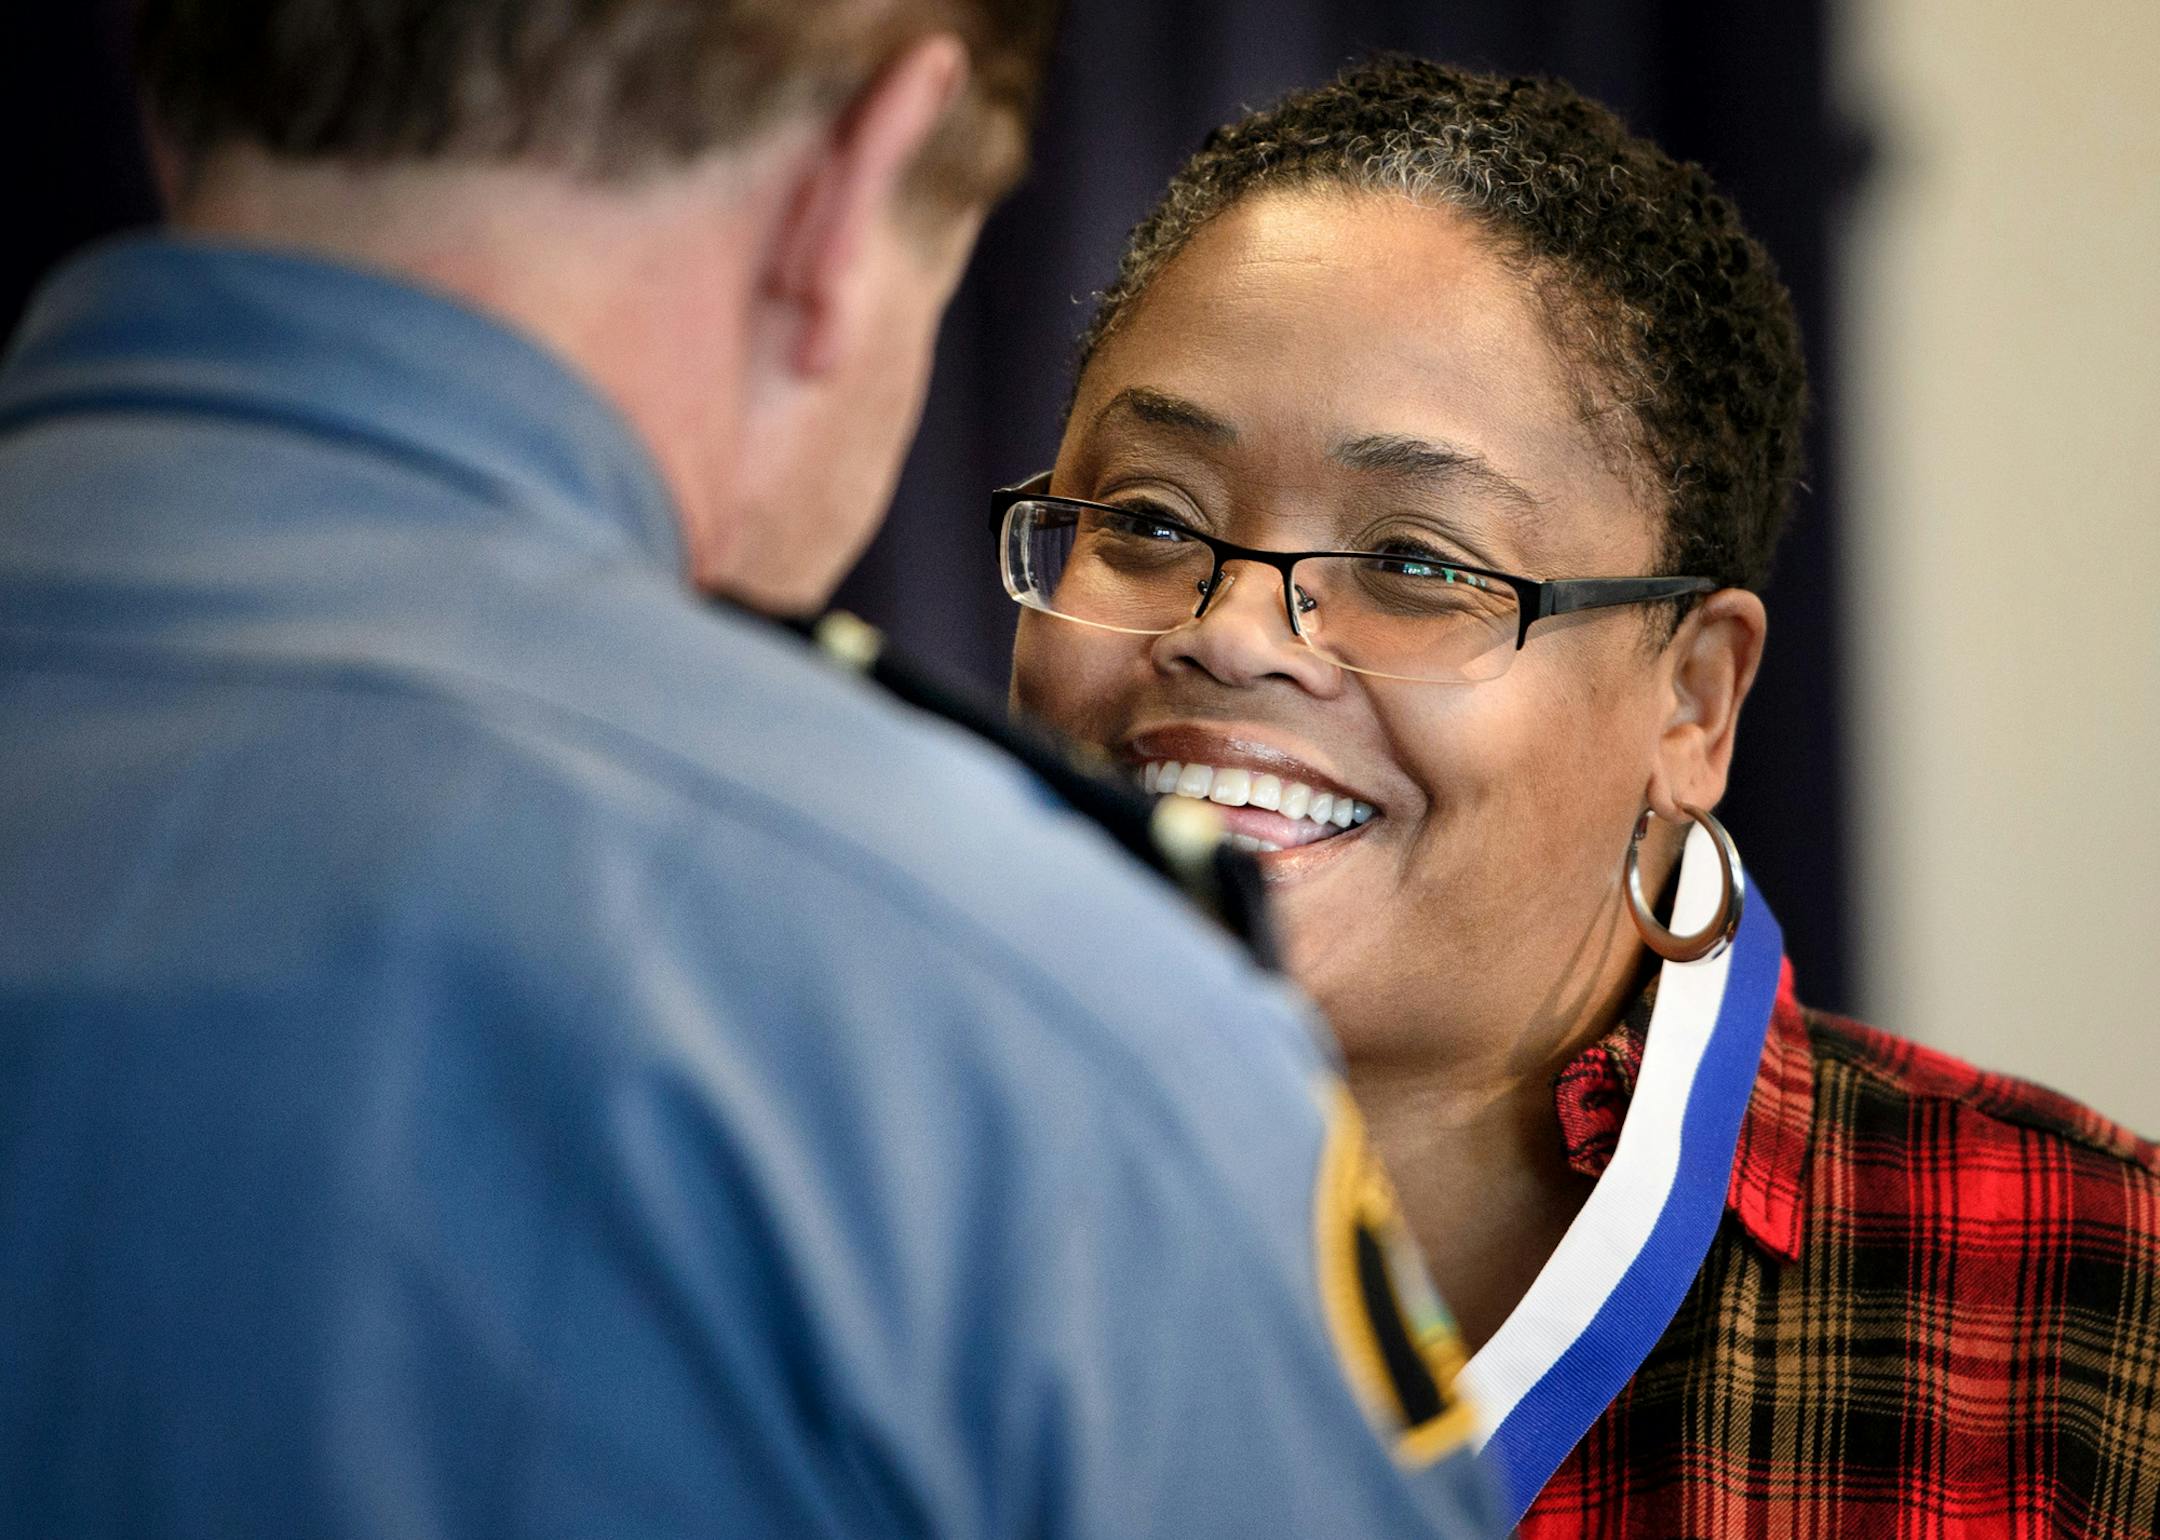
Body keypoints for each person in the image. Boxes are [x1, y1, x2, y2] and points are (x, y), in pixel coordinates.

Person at [0, 7, 1502, 1536]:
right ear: (863, 184)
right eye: (1153, 521)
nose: (1238, 634)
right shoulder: (1038, 1043)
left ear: (178, 99)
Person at [1001, 55, 2160, 1537]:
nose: (1226, 632)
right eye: (1152, 519)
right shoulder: (796, 1195)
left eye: (1418, 564)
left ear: (1692, 703)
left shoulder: (2083, 1313)